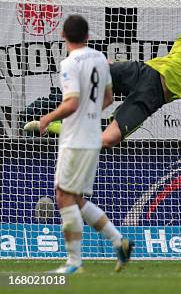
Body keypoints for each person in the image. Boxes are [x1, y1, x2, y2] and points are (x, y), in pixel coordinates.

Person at [26, 6, 181, 148]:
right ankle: (53, 104)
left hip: (154, 98)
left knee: (106, 141)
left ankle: (57, 127)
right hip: (144, 73)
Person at [39, 15, 133, 274]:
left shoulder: (69, 62)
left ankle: (74, 262)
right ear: (88, 36)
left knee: (62, 195)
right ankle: (119, 241)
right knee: (74, 198)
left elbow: (71, 103)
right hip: (92, 135)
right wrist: (89, 114)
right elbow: (108, 98)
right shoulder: (100, 59)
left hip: (76, 138)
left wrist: (47, 117)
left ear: (63, 36)